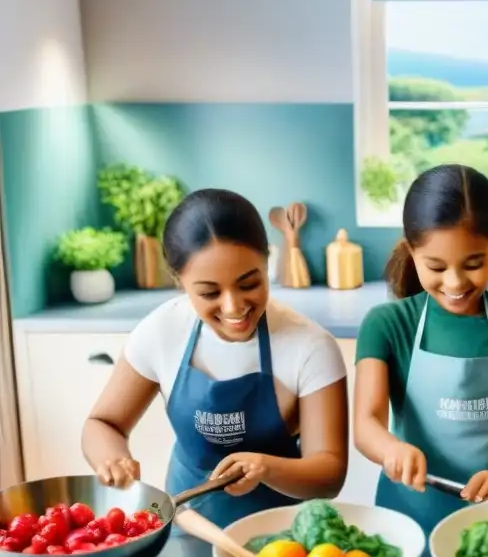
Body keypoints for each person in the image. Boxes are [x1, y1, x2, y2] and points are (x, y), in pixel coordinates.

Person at [82, 189, 349, 528]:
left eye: (249, 283)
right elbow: (103, 424)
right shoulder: (160, 332)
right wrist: (112, 458)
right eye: (209, 292)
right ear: (179, 281)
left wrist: (264, 468)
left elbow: (329, 473)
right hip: (188, 523)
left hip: (285, 538)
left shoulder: (310, 346)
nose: (233, 306)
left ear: (267, 260)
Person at [353, 164, 488, 529]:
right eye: (436, 266)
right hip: (408, 521)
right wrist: (392, 450)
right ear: (410, 249)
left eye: (474, 263)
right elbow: (367, 424)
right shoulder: (387, 325)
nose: (455, 282)